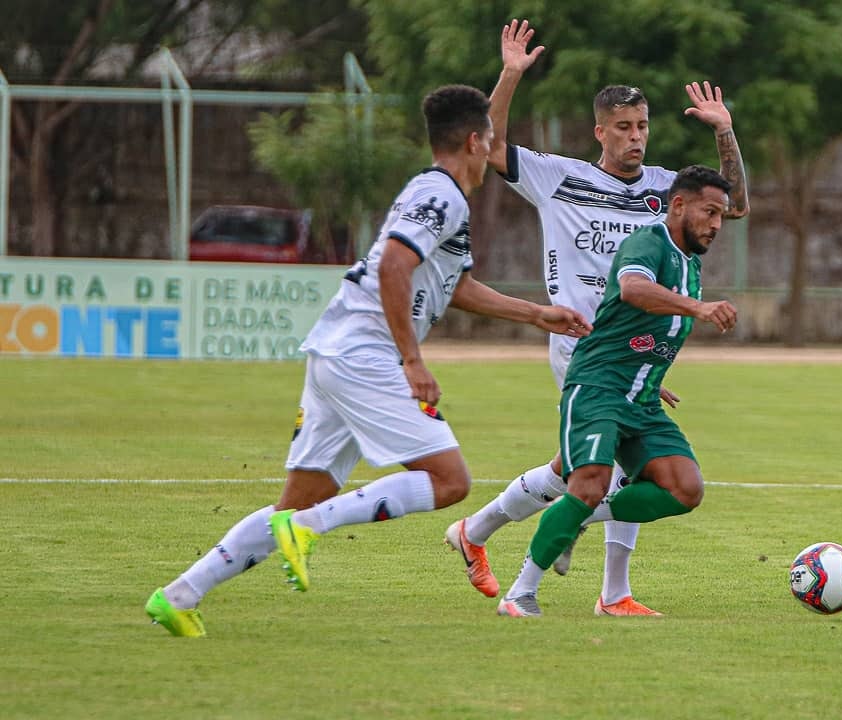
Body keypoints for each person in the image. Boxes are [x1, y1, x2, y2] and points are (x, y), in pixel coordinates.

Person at [144, 83, 592, 637]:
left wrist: (536, 314)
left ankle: (181, 593)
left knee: (296, 501)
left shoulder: (440, 195)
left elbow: (456, 285)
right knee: (450, 481)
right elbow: (393, 267)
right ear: (476, 141)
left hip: (337, 349)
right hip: (365, 353)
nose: (493, 148)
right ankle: (307, 528)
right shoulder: (442, 195)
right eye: (491, 138)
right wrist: (411, 360)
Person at [444, 19, 749, 616]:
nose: (636, 138)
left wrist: (724, 134)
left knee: (573, 472)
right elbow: (493, 145)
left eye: (643, 127)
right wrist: (509, 75)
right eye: (624, 128)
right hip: (577, 337)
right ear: (600, 132)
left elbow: (732, 204)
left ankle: (477, 531)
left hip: (636, 343)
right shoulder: (562, 178)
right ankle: (609, 591)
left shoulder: (668, 192)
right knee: (599, 471)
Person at [496, 164, 737, 617]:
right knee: (588, 481)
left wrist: (725, 130)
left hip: (641, 398)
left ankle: (578, 517)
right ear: (679, 205)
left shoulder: (689, 260)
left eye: (721, 215)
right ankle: (520, 593)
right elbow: (632, 289)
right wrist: (699, 308)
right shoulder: (649, 242)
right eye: (710, 212)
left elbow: (648, 330)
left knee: (685, 489)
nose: (717, 224)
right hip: (598, 386)